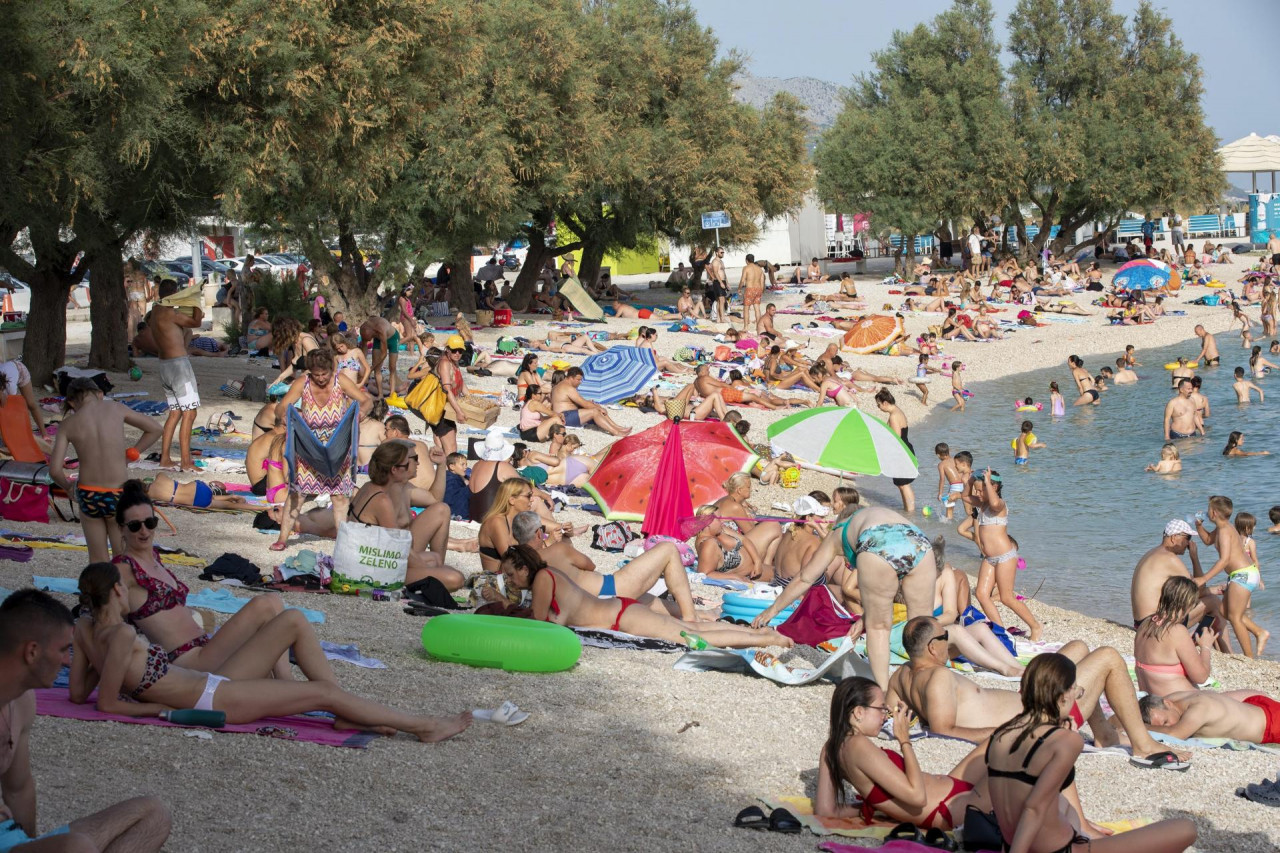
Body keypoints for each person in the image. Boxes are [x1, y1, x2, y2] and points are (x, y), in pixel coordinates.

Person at [71, 562, 471, 742]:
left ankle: (351, 716)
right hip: (216, 697)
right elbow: (107, 704)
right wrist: (159, 711)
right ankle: (423, 726)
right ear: (118, 591)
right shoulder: (119, 636)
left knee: (293, 617)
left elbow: (78, 695)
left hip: (212, 685)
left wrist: (109, 670)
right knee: (325, 693)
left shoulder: (86, 631)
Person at [887, 617, 1190, 770]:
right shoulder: (938, 677)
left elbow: (890, 712)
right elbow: (944, 730)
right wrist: (1014, 731)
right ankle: (1144, 746)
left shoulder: (900, 676)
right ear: (931, 648)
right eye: (945, 636)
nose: (949, 639)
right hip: (1038, 713)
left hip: (1028, 697)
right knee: (1109, 657)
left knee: (1078, 649)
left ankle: (1106, 735)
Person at [0, 589, 172, 852]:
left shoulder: (22, 702)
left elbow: (18, 789)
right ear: (32, 652)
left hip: (11, 838)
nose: (68, 662)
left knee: (153, 815)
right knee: (76, 847)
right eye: (63, 650)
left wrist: (35, 845)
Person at [988, 654, 1197, 853]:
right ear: (1062, 696)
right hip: (1061, 848)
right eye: (1075, 690)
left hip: (1014, 841)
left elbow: (1018, 796)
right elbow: (1034, 808)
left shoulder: (1001, 735)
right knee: (1185, 828)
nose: (1077, 695)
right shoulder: (1065, 741)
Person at [754, 505, 935, 690]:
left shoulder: (838, 532)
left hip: (878, 539)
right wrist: (865, 617)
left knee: (879, 628)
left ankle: (885, 692)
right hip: (918, 540)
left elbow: (805, 577)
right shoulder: (875, 514)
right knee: (923, 627)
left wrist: (773, 609)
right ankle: (926, 689)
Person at [502, 544, 788, 649]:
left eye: (511, 574)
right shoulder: (550, 575)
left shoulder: (542, 578)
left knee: (694, 637)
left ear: (524, 568)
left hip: (622, 617)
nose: (510, 580)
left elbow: (540, 626)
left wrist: (505, 609)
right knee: (694, 628)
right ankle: (758, 634)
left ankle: (765, 638)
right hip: (621, 611)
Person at [814, 676, 992, 831]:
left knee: (999, 739)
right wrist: (904, 739)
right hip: (948, 808)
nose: (886, 715)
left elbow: (826, 811)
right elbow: (917, 797)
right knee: (1009, 753)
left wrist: (874, 807)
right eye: (881, 708)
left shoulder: (831, 748)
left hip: (949, 792)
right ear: (859, 712)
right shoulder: (858, 745)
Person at [48, 379, 162, 563]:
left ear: (71, 402)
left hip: (88, 493)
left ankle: (99, 590)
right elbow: (155, 429)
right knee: (122, 556)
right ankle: (123, 590)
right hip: (117, 493)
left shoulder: (68, 424)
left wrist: (68, 487)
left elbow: (54, 470)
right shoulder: (116, 408)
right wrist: (131, 454)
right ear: (100, 394)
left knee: (97, 558)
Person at [271, 349, 371, 551]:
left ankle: (342, 542)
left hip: (337, 446)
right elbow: (281, 407)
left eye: (324, 374)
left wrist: (359, 414)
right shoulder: (303, 383)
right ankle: (283, 538)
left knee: (340, 496)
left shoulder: (340, 380)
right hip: (309, 446)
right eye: (316, 375)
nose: (321, 379)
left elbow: (366, 401)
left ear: (330, 369)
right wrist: (284, 416)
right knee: (297, 494)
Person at [972, 468, 1043, 641]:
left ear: (994, 487)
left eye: (981, 490)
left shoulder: (1000, 505)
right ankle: (1001, 630)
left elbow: (995, 504)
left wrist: (987, 482)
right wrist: (970, 481)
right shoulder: (982, 505)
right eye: (977, 490)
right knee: (981, 594)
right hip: (989, 558)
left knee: (1006, 597)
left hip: (1005, 556)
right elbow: (966, 496)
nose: (978, 493)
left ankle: (1035, 627)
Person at [1193, 495, 1267, 657]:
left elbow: (1224, 559)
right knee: (1224, 611)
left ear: (1213, 513)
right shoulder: (1221, 528)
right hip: (1242, 574)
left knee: (1234, 617)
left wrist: (1204, 578)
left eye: (1208, 509)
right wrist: (1198, 525)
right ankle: (1259, 631)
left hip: (1243, 575)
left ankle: (1249, 658)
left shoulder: (1226, 531)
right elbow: (1207, 540)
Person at [148, 280, 203, 470]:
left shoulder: (154, 311)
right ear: (175, 294)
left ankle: (165, 458)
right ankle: (186, 462)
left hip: (164, 365)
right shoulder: (170, 312)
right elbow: (197, 322)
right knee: (190, 413)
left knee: (175, 412)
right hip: (179, 365)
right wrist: (196, 299)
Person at [1134, 577, 1216, 696]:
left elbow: (1163, 649)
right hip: (1179, 703)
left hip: (1150, 702)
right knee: (1246, 696)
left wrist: (1187, 644)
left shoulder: (1145, 624)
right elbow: (1201, 677)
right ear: (1189, 604)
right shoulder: (1177, 632)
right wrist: (1206, 647)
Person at [1141, 688, 1280, 747]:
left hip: (1271, 725)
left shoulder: (1198, 709)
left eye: (1165, 722)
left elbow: (1175, 734)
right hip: (1255, 705)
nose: (1168, 726)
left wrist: (1137, 725)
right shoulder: (1169, 701)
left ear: (1167, 703)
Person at [509, 510, 594, 574]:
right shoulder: (558, 550)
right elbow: (591, 566)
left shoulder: (511, 557)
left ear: (514, 535)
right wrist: (549, 543)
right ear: (539, 533)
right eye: (543, 528)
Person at [550, 368, 630, 436]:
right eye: (578, 379)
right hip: (565, 417)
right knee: (594, 411)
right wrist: (599, 408)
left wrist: (595, 406)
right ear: (571, 378)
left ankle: (616, 426)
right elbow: (584, 404)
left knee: (594, 406)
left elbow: (579, 402)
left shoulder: (560, 385)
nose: (580, 382)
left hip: (567, 414)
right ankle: (615, 432)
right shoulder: (568, 388)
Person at [874, 389, 916, 514]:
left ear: (885, 403)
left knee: (904, 484)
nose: (878, 407)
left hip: (901, 452)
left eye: (879, 405)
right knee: (901, 484)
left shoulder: (893, 416)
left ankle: (910, 512)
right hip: (905, 449)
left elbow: (896, 438)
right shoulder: (898, 411)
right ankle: (907, 510)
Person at [146, 474, 248, 510]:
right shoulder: (160, 478)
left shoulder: (150, 495)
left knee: (227, 505)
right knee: (216, 500)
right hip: (198, 488)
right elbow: (160, 474)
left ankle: (261, 508)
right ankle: (232, 497)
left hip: (197, 499)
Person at [359, 315, 401, 398]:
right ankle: (380, 394)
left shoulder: (380, 328)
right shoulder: (363, 328)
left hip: (392, 338)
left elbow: (384, 354)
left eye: (370, 338)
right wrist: (362, 365)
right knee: (377, 368)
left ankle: (392, 393)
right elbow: (364, 348)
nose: (369, 340)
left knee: (392, 367)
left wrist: (370, 369)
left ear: (373, 332)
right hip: (378, 339)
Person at [738, 253, 765, 329]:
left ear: (747, 260)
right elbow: (762, 282)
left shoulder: (746, 268)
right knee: (757, 308)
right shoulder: (760, 269)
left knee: (746, 308)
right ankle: (758, 327)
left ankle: (746, 327)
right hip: (758, 289)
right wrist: (761, 291)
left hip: (750, 289)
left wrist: (739, 289)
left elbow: (742, 280)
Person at [706, 246, 728, 323]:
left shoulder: (721, 262)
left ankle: (718, 318)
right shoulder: (715, 261)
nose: (722, 254)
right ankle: (722, 318)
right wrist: (721, 282)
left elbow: (724, 273)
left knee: (719, 301)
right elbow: (715, 272)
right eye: (721, 252)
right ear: (716, 253)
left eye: (723, 252)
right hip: (718, 282)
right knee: (722, 300)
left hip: (722, 281)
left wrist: (727, 283)